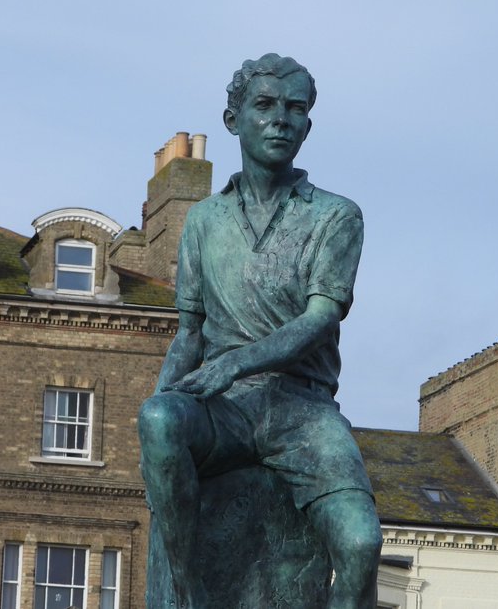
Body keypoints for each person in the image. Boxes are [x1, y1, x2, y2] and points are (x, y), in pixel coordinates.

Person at [138, 54, 381, 609]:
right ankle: (186, 591)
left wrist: (234, 363)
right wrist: (161, 415)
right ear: (234, 120)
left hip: (302, 411)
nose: (281, 120)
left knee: (361, 544)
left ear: (307, 126)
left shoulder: (336, 216)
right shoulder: (203, 220)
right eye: (266, 105)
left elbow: (320, 319)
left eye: (295, 109)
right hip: (225, 410)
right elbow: (189, 333)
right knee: (158, 418)